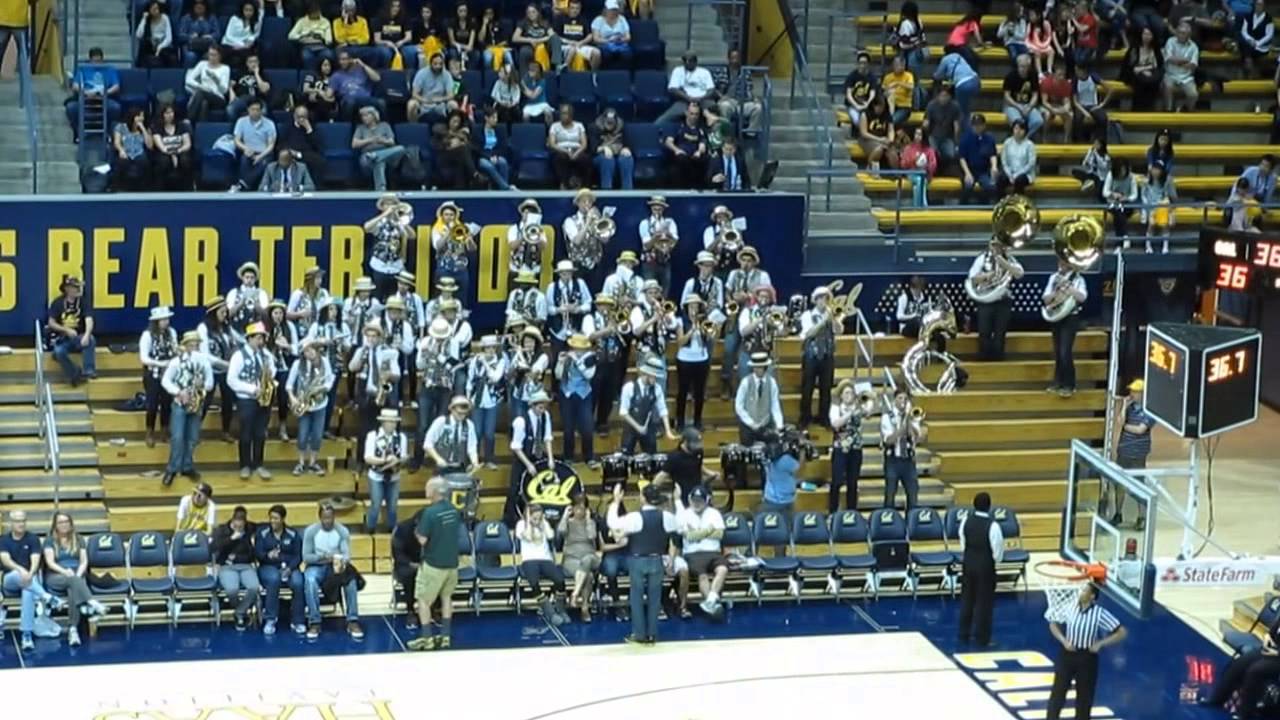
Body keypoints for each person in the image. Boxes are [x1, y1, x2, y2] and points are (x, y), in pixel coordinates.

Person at [607, 482, 678, 644]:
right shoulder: (667, 516)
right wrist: (677, 501)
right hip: (657, 559)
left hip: (638, 560)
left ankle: (639, 634)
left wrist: (616, 501)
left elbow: (613, 523)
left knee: (636, 597)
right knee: (655, 597)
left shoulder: (635, 517)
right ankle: (652, 634)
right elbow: (678, 528)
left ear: (643, 498)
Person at [1045, 582, 1127, 720]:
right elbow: (1053, 623)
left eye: (1084, 590)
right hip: (1068, 655)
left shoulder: (1099, 613)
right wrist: (1063, 640)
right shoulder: (1069, 607)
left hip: (1087, 658)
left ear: (1092, 596)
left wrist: (1101, 643)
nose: (1080, 592)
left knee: (1084, 697)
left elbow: (1121, 632)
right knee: (1058, 693)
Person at [407, 477, 461, 650]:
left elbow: (422, 540)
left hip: (433, 565)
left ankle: (427, 638)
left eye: (427, 487)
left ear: (435, 491)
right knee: (447, 598)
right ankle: (445, 636)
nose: (425, 490)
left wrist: (416, 532)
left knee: (423, 601)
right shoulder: (454, 510)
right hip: (452, 564)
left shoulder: (430, 513)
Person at [1200, 603, 1280, 717]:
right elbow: (1272, 631)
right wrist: (1267, 637)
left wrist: (1277, 653)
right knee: (1240, 663)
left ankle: (1245, 714)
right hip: (1269, 650)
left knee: (1255, 671)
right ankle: (1217, 699)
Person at [1, 510, 62, 651]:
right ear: (11, 523)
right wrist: (22, 571)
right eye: (17, 521)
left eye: (23, 520)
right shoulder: (3, 540)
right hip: (10, 580)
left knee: (27, 592)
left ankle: (26, 635)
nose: (21, 524)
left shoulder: (33, 539)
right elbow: (6, 560)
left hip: (29, 580)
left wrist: (30, 572)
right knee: (19, 577)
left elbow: (35, 560)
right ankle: (46, 596)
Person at [301, 503, 364, 640]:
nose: (327, 521)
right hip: (316, 566)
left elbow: (346, 554)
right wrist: (323, 557)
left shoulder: (342, 531)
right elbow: (306, 557)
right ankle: (315, 622)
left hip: (335, 564)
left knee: (350, 581)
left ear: (334, 517)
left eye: (330, 518)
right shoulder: (311, 531)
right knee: (310, 581)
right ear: (320, 517)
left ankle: (353, 620)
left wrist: (339, 560)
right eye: (324, 518)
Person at [160, 331, 213, 487]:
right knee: (177, 436)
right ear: (185, 346)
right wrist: (178, 392)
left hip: (196, 402)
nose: (194, 347)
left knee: (192, 437)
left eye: (196, 344)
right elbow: (166, 381)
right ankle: (172, 468)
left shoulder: (204, 361)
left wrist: (202, 385)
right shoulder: (176, 362)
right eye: (191, 344)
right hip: (180, 402)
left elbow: (210, 382)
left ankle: (187, 466)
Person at [42, 512, 103, 647]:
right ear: (55, 525)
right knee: (74, 583)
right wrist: (65, 572)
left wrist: (78, 574)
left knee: (73, 588)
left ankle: (73, 629)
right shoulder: (49, 541)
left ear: (70, 524)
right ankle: (91, 601)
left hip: (77, 576)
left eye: (66, 522)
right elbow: (50, 562)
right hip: (55, 576)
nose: (63, 525)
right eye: (60, 522)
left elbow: (84, 561)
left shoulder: (79, 539)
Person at [227, 322, 275, 479]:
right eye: (258, 338)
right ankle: (245, 465)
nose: (261, 342)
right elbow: (231, 380)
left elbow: (271, 371)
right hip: (246, 400)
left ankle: (259, 464)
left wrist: (269, 377)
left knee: (260, 434)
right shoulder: (238, 356)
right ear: (249, 338)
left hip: (263, 400)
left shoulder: (265, 355)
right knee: (246, 434)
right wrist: (252, 389)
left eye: (262, 338)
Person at [957, 492, 1005, 647]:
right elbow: (997, 550)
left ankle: (964, 633)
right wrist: (993, 561)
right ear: (989, 506)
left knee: (967, 599)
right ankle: (982, 638)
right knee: (984, 603)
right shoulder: (993, 525)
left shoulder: (965, 521)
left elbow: (963, 542)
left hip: (968, 563)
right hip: (985, 566)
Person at [673, 484, 728, 617]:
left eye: (700, 500)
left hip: (714, 552)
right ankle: (712, 603)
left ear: (706, 500)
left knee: (723, 569)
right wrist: (709, 530)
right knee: (702, 576)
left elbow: (720, 534)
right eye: (694, 500)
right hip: (693, 554)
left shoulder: (714, 513)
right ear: (690, 500)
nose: (697, 503)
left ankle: (710, 600)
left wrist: (697, 533)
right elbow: (689, 536)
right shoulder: (683, 515)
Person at [505, 389, 555, 526]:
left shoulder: (545, 417)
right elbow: (516, 447)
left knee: (538, 488)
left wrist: (550, 458)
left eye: (544, 407)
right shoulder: (521, 421)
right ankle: (510, 519)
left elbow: (547, 438)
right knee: (515, 489)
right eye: (539, 407)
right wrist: (528, 464)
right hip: (523, 457)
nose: (542, 410)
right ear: (532, 406)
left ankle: (536, 518)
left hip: (538, 456)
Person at [968, 238, 1024, 361]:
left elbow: (1019, 274)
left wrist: (1002, 261)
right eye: (993, 245)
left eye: (998, 245)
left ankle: (998, 360)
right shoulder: (982, 258)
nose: (995, 248)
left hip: (1003, 301)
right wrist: (986, 276)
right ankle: (984, 360)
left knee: (1000, 333)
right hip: (985, 300)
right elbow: (972, 278)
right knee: (984, 332)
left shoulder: (1009, 259)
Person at [254, 504, 305, 636]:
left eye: (276, 518)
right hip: (268, 567)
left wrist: (290, 568)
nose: (273, 521)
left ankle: (298, 621)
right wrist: (267, 555)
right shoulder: (262, 533)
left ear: (283, 519)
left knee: (298, 582)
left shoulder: (293, 534)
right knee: (273, 579)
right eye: (271, 518)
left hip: (290, 567)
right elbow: (258, 553)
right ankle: (270, 619)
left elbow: (298, 556)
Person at [516, 503, 571, 624]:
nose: (537, 520)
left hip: (546, 559)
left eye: (539, 517)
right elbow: (528, 537)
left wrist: (544, 522)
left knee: (560, 580)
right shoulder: (521, 525)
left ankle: (561, 609)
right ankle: (549, 611)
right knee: (534, 583)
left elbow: (551, 536)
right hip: (529, 560)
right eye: (534, 518)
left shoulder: (543, 524)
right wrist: (528, 521)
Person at [1107, 379, 1152, 526]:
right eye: (1131, 391)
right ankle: (1118, 513)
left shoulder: (1149, 410)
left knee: (1138, 484)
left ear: (1142, 393)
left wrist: (1125, 426)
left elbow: (1140, 429)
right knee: (1119, 484)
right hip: (1124, 450)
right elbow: (1119, 421)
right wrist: (1124, 406)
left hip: (1138, 453)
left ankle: (1142, 517)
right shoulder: (1129, 407)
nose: (1131, 394)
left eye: (1135, 391)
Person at [210, 505, 259, 630]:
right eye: (236, 526)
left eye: (241, 526)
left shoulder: (250, 528)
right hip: (227, 566)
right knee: (232, 590)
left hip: (246, 565)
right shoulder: (221, 530)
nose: (238, 528)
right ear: (232, 521)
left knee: (254, 588)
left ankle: (239, 613)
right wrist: (232, 538)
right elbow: (213, 547)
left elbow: (265, 527)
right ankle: (241, 614)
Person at [619, 357, 677, 454]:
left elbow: (663, 410)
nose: (656, 379)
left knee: (652, 457)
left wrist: (668, 431)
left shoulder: (657, 389)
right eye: (654, 376)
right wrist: (638, 427)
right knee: (626, 457)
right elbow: (623, 412)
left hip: (648, 427)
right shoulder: (629, 387)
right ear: (647, 374)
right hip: (631, 427)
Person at [47, 275, 96, 386]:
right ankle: (75, 374)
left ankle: (89, 370)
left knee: (91, 340)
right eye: (75, 287)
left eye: (78, 287)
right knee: (59, 352)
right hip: (63, 339)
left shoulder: (83, 302)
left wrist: (87, 335)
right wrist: (66, 330)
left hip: (79, 337)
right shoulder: (58, 303)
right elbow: (51, 323)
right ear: (67, 288)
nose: (78, 289)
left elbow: (89, 319)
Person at [556, 335, 597, 467]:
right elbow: (558, 375)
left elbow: (589, 375)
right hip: (567, 394)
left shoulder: (590, 358)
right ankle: (568, 457)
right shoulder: (566, 357)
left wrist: (578, 362)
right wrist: (560, 362)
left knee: (587, 427)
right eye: (575, 348)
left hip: (584, 394)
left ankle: (589, 456)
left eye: (580, 348)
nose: (577, 351)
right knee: (568, 428)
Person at [65, 48, 122, 142]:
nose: (97, 63)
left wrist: (106, 93)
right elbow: (75, 86)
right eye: (95, 61)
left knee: (115, 108)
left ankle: (108, 132)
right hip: (86, 98)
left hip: (103, 98)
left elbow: (116, 86)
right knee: (71, 108)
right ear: (90, 60)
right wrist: (85, 92)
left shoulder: (109, 69)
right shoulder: (82, 69)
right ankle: (78, 133)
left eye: (99, 61)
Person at [881, 388, 924, 510]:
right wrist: (901, 427)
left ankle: (911, 523)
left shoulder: (911, 416)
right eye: (900, 398)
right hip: (893, 461)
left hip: (908, 461)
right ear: (894, 400)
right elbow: (888, 439)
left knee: (913, 494)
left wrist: (909, 421)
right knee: (890, 495)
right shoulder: (887, 417)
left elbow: (917, 436)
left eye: (905, 399)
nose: (903, 401)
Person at [674, 294, 713, 431]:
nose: (694, 309)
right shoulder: (680, 321)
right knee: (683, 392)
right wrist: (692, 331)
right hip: (685, 359)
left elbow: (710, 337)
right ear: (687, 308)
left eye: (696, 306)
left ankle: (697, 421)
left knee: (699, 392)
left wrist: (705, 331)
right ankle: (680, 421)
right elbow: (680, 342)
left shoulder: (705, 321)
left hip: (701, 359)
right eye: (691, 306)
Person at [828, 380, 867, 513]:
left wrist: (869, 397)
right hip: (840, 448)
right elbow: (836, 424)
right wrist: (850, 413)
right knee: (837, 482)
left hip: (856, 449)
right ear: (841, 395)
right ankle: (833, 512)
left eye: (851, 392)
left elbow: (869, 411)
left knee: (853, 483)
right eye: (846, 392)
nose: (849, 395)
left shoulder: (859, 407)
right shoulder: (835, 408)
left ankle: (852, 512)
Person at [353, 105, 405, 191]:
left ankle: (376, 155)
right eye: (362, 116)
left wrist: (382, 141)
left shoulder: (385, 126)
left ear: (374, 116)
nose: (363, 118)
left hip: (386, 154)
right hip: (366, 157)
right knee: (379, 162)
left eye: (366, 115)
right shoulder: (360, 128)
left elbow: (392, 142)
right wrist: (369, 140)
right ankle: (381, 189)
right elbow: (354, 144)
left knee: (401, 148)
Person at [657, 50, 716, 125]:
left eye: (690, 60)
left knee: (715, 119)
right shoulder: (678, 71)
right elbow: (672, 89)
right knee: (662, 120)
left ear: (696, 61)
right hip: (684, 101)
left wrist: (701, 98)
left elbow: (711, 90)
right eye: (685, 60)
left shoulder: (704, 72)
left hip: (703, 101)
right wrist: (688, 98)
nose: (687, 62)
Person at [736, 351, 783, 444]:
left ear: (765, 368)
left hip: (765, 424)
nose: (757, 370)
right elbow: (739, 406)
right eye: (756, 367)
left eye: (760, 367)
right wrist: (751, 423)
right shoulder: (745, 382)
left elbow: (775, 406)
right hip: (748, 425)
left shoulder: (772, 383)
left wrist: (779, 425)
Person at [232, 98, 276, 191]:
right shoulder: (241, 121)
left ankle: (243, 184)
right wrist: (245, 149)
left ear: (261, 110)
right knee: (244, 160)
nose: (255, 112)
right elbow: (237, 140)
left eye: (258, 110)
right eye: (253, 109)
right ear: (248, 110)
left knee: (264, 163)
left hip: (264, 153)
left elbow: (271, 145)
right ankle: (245, 185)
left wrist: (260, 156)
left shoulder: (269, 124)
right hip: (248, 151)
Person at [150, 103, 193, 191]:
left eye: (171, 112)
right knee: (164, 161)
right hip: (164, 152)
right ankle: (161, 190)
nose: (170, 115)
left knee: (185, 160)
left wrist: (178, 151)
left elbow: (187, 144)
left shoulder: (182, 125)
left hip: (180, 151)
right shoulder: (157, 127)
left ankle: (187, 189)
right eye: (167, 113)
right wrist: (172, 154)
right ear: (162, 115)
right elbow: (160, 146)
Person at [665, 103, 709, 188]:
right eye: (691, 113)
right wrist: (677, 150)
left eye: (696, 114)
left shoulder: (701, 129)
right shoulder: (678, 126)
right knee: (681, 160)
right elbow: (668, 142)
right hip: (681, 156)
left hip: (695, 157)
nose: (694, 116)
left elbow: (702, 144)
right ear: (686, 113)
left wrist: (699, 152)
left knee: (702, 159)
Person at [331, 48, 383, 121]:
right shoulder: (336, 75)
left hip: (366, 99)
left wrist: (363, 65)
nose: (341, 62)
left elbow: (377, 78)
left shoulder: (362, 70)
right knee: (350, 103)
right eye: (340, 60)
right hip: (349, 100)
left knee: (381, 102)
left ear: (351, 59)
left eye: (344, 59)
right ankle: (347, 127)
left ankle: (383, 126)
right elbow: (329, 93)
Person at [547, 103, 590, 189]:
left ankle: (584, 185)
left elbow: (584, 144)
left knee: (585, 159)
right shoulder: (554, 126)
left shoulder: (579, 125)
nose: (563, 116)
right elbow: (552, 144)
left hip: (577, 150)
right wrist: (566, 151)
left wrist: (576, 153)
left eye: (565, 113)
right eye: (561, 113)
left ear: (571, 115)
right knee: (561, 158)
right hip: (560, 150)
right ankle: (564, 184)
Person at [186, 48, 234, 124]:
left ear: (220, 56)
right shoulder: (202, 64)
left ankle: (189, 119)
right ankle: (201, 127)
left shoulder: (225, 68)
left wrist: (216, 80)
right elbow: (188, 80)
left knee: (201, 93)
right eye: (210, 54)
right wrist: (201, 86)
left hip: (218, 98)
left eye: (214, 55)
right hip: (203, 95)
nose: (211, 57)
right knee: (204, 103)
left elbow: (224, 91)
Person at [959, 113, 998, 205]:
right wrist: (967, 173)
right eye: (975, 125)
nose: (977, 127)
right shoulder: (965, 138)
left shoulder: (989, 139)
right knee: (968, 185)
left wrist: (994, 167)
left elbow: (992, 154)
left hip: (983, 171)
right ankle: (963, 206)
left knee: (989, 186)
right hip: (969, 169)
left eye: (979, 125)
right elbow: (962, 158)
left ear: (984, 125)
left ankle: (984, 205)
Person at [1121, 27, 1163, 112]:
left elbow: (1158, 65)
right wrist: (1143, 70)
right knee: (1141, 82)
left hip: (1151, 72)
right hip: (1134, 73)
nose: (1147, 36)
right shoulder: (1135, 48)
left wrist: (1148, 69)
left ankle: (1150, 107)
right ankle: (1138, 108)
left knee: (1154, 80)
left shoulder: (1155, 49)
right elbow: (1131, 66)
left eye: (1149, 34)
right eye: (1145, 34)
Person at [933, 48, 980, 123]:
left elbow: (938, 75)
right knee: (966, 110)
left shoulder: (945, 59)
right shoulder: (959, 56)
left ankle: (964, 132)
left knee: (962, 114)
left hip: (963, 84)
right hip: (976, 81)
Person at [1003, 54, 1044, 139]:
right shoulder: (1010, 76)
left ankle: (1024, 138)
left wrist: (1029, 107)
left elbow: (1035, 95)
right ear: (1017, 65)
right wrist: (1018, 106)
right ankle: (1016, 138)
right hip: (1013, 105)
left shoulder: (1033, 75)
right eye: (1021, 66)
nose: (1023, 69)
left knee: (1038, 121)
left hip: (1028, 104)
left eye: (1025, 66)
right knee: (1018, 122)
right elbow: (1007, 96)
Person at [1161, 22, 1199, 112]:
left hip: (1186, 77)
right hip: (1170, 74)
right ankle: (1168, 110)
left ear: (1189, 35)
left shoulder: (1194, 47)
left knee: (1193, 95)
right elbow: (1169, 58)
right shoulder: (1170, 41)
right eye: (1179, 32)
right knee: (1167, 87)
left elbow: (1193, 65)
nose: (1181, 35)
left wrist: (1177, 61)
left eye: (1184, 33)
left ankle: (1184, 109)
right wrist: (1185, 60)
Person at [408, 52, 456, 123]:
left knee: (453, 104)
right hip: (424, 103)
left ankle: (452, 130)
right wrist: (424, 100)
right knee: (411, 104)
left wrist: (440, 99)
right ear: (430, 64)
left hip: (440, 104)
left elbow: (451, 95)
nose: (438, 66)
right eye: (435, 64)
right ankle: (414, 128)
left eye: (440, 64)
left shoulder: (447, 75)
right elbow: (414, 94)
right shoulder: (421, 73)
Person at [1140, 161, 1177, 254]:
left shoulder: (1168, 180)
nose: (1155, 172)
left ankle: (1165, 246)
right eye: (1154, 169)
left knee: (1164, 223)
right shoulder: (1146, 181)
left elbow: (1173, 196)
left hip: (1162, 205)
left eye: (1158, 170)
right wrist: (1147, 206)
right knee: (1151, 224)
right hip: (1150, 206)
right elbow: (1143, 196)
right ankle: (1148, 246)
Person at [113, 107, 152, 192]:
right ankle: (118, 188)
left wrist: (143, 129)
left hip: (139, 153)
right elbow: (117, 142)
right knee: (122, 162)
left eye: (143, 116)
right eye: (139, 116)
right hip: (125, 152)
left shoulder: (146, 129)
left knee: (143, 161)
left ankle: (143, 189)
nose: (142, 118)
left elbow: (150, 146)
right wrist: (121, 150)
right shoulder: (121, 127)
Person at [594, 107, 634, 190]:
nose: (609, 124)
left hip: (618, 153)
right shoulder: (594, 127)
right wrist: (603, 148)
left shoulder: (622, 126)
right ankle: (607, 192)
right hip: (600, 156)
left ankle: (628, 192)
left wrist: (626, 148)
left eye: (612, 122)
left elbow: (628, 144)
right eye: (608, 121)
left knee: (627, 159)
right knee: (607, 160)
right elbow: (592, 149)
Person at [857, 94, 896, 174]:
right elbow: (864, 133)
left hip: (883, 139)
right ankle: (870, 168)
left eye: (882, 107)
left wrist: (890, 139)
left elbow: (891, 130)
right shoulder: (865, 114)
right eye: (878, 107)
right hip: (868, 139)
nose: (880, 109)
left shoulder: (887, 115)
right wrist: (879, 139)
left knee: (892, 153)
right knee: (879, 149)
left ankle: (897, 174)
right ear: (874, 105)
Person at [1070, 64, 1111, 142]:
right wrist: (1085, 113)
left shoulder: (1093, 77)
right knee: (1077, 120)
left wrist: (1102, 104)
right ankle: (1079, 142)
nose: (1076, 72)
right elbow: (1075, 102)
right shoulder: (1075, 80)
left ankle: (1101, 142)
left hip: (1093, 105)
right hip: (1081, 106)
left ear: (1083, 71)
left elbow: (1110, 90)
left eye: (1077, 70)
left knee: (1103, 119)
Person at [899, 126, 938, 207]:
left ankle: (917, 207)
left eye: (920, 134)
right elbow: (903, 164)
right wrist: (913, 161)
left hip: (925, 174)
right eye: (916, 134)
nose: (917, 136)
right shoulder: (908, 148)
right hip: (912, 174)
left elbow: (933, 164)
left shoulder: (929, 149)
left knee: (918, 184)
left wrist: (925, 166)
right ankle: (921, 206)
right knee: (919, 180)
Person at [556, 0, 599, 70]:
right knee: (572, 49)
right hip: (565, 46)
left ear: (580, 9)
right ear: (568, 8)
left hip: (580, 45)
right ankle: (565, 69)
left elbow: (590, 35)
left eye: (577, 8)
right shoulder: (561, 19)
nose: (575, 10)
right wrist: (569, 42)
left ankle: (592, 75)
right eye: (572, 8)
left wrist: (581, 43)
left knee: (597, 53)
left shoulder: (584, 20)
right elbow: (555, 36)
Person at [290, 2, 335, 70]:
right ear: (309, 13)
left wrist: (321, 37)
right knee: (307, 57)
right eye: (314, 12)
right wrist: (303, 35)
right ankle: (311, 75)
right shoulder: (302, 21)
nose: (317, 14)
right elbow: (291, 35)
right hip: (307, 46)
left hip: (321, 46)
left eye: (317, 12)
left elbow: (329, 40)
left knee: (328, 55)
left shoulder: (325, 21)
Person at [1235, 0, 1274, 77]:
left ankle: (1249, 72)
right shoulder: (1248, 16)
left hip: (1261, 46)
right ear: (1254, 5)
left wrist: (1257, 43)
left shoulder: (1268, 18)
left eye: (1261, 5)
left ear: (1264, 6)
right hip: (1249, 44)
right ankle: (1250, 71)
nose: (1259, 6)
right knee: (1244, 46)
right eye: (1257, 4)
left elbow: (1269, 35)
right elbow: (1244, 31)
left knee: (1245, 49)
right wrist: (1250, 40)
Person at [177, 0, 221, 68]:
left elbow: (217, 34)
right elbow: (180, 36)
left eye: (201, 4)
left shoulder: (212, 18)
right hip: (190, 46)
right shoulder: (186, 18)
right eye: (196, 4)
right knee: (190, 56)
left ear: (205, 6)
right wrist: (190, 36)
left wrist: (210, 36)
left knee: (210, 56)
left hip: (208, 46)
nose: (199, 6)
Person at [1103, 158, 1138, 243]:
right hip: (1113, 203)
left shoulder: (1131, 177)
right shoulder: (1110, 175)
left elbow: (1135, 195)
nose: (1123, 172)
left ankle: (1119, 241)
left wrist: (1127, 198)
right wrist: (1113, 194)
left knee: (1119, 213)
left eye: (1124, 170)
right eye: (1121, 170)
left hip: (1127, 205)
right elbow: (1105, 192)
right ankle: (1124, 236)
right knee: (1118, 212)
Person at [998, 119, 1037, 195]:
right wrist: (1010, 174)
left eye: (1021, 129)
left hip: (1025, 174)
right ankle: (1001, 203)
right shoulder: (1007, 143)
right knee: (1000, 179)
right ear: (1012, 130)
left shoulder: (1029, 145)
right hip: (1010, 173)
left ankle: (1017, 203)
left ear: (1025, 131)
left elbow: (1031, 164)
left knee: (1019, 180)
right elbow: (1004, 162)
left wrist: (1016, 175)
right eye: (1016, 128)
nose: (1018, 131)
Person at [511, 3, 552, 73]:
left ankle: (544, 75)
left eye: (533, 12)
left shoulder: (545, 23)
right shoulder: (523, 23)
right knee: (524, 52)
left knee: (543, 49)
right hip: (528, 46)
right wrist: (530, 40)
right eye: (529, 12)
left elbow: (552, 36)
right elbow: (514, 38)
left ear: (538, 13)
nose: (531, 14)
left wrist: (538, 40)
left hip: (543, 45)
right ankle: (524, 78)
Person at [136, 1, 178, 68]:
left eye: (157, 8)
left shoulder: (165, 18)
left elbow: (169, 38)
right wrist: (144, 19)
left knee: (170, 57)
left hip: (164, 46)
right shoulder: (147, 20)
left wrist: (160, 47)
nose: (156, 11)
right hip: (151, 47)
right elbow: (138, 35)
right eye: (153, 9)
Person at [591, 0, 631, 69]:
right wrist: (609, 40)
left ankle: (624, 75)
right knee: (606, 54)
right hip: (604, 44)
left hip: (620, 43)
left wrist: (621, 39)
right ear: (606, 9)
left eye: (615, 10)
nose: (613, 12)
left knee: (628, 54)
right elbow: (596, 39)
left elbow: (628, 37)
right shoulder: (598, 20)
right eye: (611, 10)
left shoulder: (622, 19)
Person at [220, 0, 260, 69]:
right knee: (225, 52)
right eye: (246, 10)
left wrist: (247, 43)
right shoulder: (234, 19)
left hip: (244, 47)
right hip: (229, 43)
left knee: (247, 53)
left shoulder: (256, 22)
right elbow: (228, 35)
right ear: (242, 10)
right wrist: (239, 44)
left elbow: (254, 35)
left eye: (250, 10)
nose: (248, 12)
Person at [1040, 63, 1074, 143]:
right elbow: (1044, 102)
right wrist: (1052, 109)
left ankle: (1066, 138)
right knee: (1047, 115)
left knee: (1070, 115)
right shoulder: (1046, 83)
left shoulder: (1067, 84)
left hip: (1059, 106)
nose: (1062, 77)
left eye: (1063, 75)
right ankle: (1045, 137)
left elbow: (1067, 101)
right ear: (1054, 74)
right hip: (1047, 105)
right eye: (1059, 75)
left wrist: (1065, 109)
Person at [842, 51, 877, 128]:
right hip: (853, 105)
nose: (862, 65)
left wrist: (868, 103)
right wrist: (856, 105)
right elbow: (848, 94)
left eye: (864, 63)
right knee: (857, 120)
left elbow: (873, 92)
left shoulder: (872, 77)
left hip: (867, 105)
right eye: (860, 63)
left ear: (868, 64)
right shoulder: (852, 76)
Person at [301, 56, 338, 121]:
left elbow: (332, 98)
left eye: (329, 65)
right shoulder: (311, 75)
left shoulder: (334, 78)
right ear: (320, 65)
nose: (327, 68)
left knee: (322, 105)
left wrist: (321, 96)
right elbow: (305, 89)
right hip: (310, 101)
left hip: (325, 103)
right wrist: (318, 91)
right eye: (325, 65)